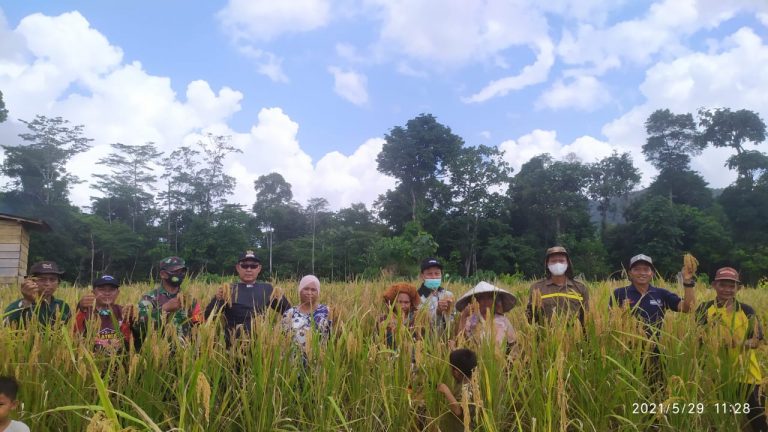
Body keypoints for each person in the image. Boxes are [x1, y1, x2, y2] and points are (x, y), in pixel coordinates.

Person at [695, 267, 767, 432]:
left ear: (738, 288)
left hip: (747, 374)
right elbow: (698, 340)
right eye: (723, 285)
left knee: (757, 418)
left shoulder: (746, 310)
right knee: (721, 419)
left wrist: (736, 343)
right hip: (717, 375)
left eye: (731, 286)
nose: (727, 289)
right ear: (714, 285)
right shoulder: (704, 309)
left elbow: (757, 341)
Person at [609, 254, 695, 388]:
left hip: (655, 352)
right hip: (627, 351)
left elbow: (688, 308)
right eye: (637, 269)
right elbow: (611, 322)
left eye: (646, 269)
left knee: (657, 392)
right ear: (630, 273)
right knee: (629, 391)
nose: (642, 273)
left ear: (652, 273)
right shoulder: (619, 294)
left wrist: (688, 282)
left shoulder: (661, 294)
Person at [205, 250, 291, 347]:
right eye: (244, 266)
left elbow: (289, 312)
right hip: (233, 348)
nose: (249, 269)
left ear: (259, 268)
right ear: (238, 268)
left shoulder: (268, 289)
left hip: (260, 347)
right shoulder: (228, 289)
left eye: (253, 266)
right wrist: (216, 299)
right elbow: (208, 317)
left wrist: (277, 331)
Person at [135, 256, 203, 347]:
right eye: (175, 272)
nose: (180, 274)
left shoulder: (190, 300)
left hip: (185, 355)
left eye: (182, 271)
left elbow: (199, 325)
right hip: (158, 353)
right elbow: (139, 326)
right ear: (163, 274)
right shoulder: (150, 298)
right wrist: (164, 309)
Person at [526, 246, 589, 326]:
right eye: (553, 261)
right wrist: (535, 309)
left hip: (574, 337)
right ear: (547, 264)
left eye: (561, 261)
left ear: (568, 263)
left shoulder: (580, 288)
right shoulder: (537, 288)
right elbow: (530, 319)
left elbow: (587, 318)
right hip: (545, 336)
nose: (557, 264)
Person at [74, 275, 134, 353]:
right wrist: (80, 309)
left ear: (117, 293)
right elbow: (75, 334)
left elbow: (130, 339)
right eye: (102, 289)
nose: (107, 293)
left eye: (112, 290)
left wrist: (130, 319)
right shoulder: (85, 311)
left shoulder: (123, 311)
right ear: (93, 292)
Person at [3, 261, 71, 327]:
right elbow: (6, 327)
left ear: (58, 283)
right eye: (42, 279)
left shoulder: (63, 306)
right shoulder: (16, 307)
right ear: (30, 282)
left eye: (52, 279)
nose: (47, 284)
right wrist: (27, 302)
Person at [455, 281, 517, 350]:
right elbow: (461, 342)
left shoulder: (503, 321)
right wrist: (463, 317)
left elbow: (513, 344)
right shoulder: (472, 319)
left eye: (489, 298)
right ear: (476, 301)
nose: (485, 301)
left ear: (494, 300)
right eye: (481, 298)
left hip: (499, 358)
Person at [281, 275, 331, 353]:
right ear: (300, 290)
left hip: (320, 361)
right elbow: (283, 341)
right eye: (306, 289)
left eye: (313, 290)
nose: (309, 293)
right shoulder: (289, 313)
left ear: (318, 292)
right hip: (294, 362)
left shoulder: (326, 311)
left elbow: (334, 336)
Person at [436, 348, 479, 429]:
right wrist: (453, 349)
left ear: (456, 372)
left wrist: (446, 391)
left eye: (451, 368)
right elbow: (465, 360)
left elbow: (458, 411)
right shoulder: (463, 380)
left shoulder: (468, 389)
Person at [416, 258, 454, 336]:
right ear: (422, 276)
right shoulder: (417, 298)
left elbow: (453, 319)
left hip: (448, 342)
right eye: (429, 274)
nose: (434, 277)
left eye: (437, 273)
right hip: (427, 343)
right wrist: (438, 312)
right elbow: (422, 326)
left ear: (441, 275)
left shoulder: (448, 295)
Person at [380, 282, 422, 347]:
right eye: (399, 302)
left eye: (406, 302)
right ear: (392, 302)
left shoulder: (416, 319)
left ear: (411, 303)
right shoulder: (383, 320)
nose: (402, 306)